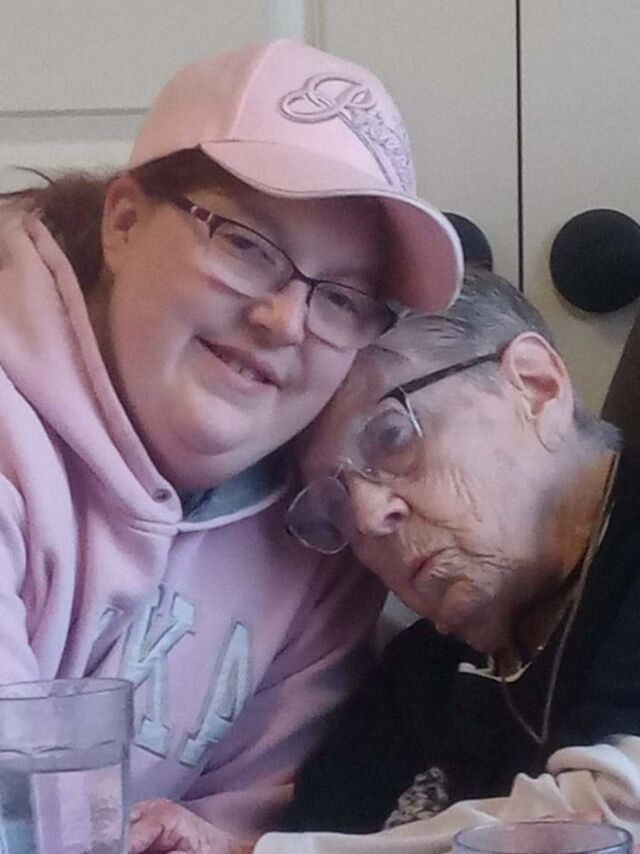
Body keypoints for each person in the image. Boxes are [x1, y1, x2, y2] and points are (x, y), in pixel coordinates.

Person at [0, 39, 463, 853]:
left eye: (342, 297)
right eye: (247, 245)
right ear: (124, 222)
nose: (284, 321)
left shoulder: (323, 550)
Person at [259, 270, 640, 854]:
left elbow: (614, 817)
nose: (367, 517)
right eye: (334, 506)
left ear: (534, 385)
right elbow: (317, 825)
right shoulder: (421, 674)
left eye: (390, 436)